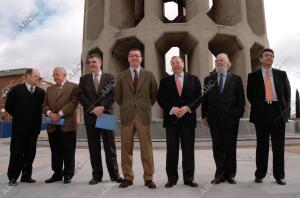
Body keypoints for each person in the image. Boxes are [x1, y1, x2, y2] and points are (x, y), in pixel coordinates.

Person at [115, 48, 158, 189]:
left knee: (146, 148)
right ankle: (127, 177)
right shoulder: (121, 76)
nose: (134, 58)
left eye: (137, 56)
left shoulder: (149, 75)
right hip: (127, 116)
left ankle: (148, 178)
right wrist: (129, 106)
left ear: (141, 58)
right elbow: (118, 97)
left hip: (143, 116)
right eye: (131, 56)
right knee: (126, 148)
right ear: (128, 59)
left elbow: (153, 95)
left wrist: (143, 106)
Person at [247, 48, 291, 185]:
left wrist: (284, 112)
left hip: (277, 113)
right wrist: (260, 107)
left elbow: (287, 94)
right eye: (266, 55)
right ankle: (260, 174)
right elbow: (250, 95)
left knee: (279, 147)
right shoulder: (253, 76)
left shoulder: (281, 74)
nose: (269, 57)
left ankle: (279, 176)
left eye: (271, 55)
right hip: (261, 114)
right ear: (260, 59)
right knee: (262, 145)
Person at [157, 56, 202, 188]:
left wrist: (188, 107)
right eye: (173, 63)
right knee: (172, 150)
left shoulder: (194, 79)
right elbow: (160, 98)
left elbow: (198, 97)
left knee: (188, 150)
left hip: (188, 120)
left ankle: (189, 178)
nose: (176, 65)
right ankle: (172, 178)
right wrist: (171, 109)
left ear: (183, 64)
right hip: (171, 121)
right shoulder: (165, 81)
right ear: (171, 66)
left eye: (178, 62)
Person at [78, 54, 123, 185]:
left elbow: (113, 95)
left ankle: (115, 175)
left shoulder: (110, 77)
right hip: (91, 116)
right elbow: (81, 96)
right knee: (94, 147)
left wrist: (102, 107)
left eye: (94, 62)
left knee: (110, 147)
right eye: (89, 62)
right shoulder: (84, 79)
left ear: (100, 63)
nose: (91, 64)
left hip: (106, 115)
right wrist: (93, 109)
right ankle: (97, 176)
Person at [202, 53, 245, 185]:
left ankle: (230, 175)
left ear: (227, 63)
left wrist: (237, 114)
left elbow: (241, 100)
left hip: (231, 120)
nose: (219, 63)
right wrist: (204, 116)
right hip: (214, 119)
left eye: (221, 60)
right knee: (217, 147)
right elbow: (205, 100)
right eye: (217, 61)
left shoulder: (236, 79)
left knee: (230, 147)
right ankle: (220, 175)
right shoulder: (209, 79)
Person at [5, 68, 45, 186]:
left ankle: (26, 176)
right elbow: (8, 107)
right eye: (36, 76)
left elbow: (42, 107)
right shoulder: (16, 90)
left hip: (33, 130)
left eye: (39, 76)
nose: (38, 78)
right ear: (28, 76)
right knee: (16, 153)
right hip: (19, 129)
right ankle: (13, 177)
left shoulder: (40, 92)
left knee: (30, 153)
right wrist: (20, 117)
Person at [43, 67, 78, 184]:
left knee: (68, 151)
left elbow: (73, 102)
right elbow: (44, 104)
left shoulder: (73, 87)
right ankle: (57, 174)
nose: (55, 77)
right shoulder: (49, 89)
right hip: (52, 126)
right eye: (53, 75)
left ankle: (68, 174)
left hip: (67, 125)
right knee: (55, 151)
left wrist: (59, 114)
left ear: (64, 75)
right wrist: (50, 113)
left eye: (57, 74)